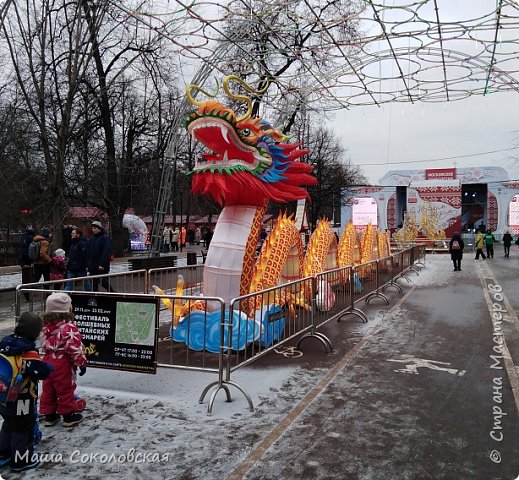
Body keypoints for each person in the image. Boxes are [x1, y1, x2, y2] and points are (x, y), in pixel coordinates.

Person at [0, 312, 53, 472]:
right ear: (35, 333)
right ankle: (20, 460)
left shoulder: (5, 345)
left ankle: (3, 453)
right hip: (23, 399)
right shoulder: (29, 353)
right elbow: (41, 371)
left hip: (3, 397)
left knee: (8, 424)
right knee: (22, 429)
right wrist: (50, 367)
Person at [39, 293, 87, 428]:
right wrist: (81, 362)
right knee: (65, 388)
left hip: (47, 360)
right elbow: (74, 347)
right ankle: (68, 416)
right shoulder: (69, 328)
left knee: (48, 389)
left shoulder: (46, 325)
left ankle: (49, 415)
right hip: (62, 362)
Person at [86, 221, 114, 292]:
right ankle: (96, 299)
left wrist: (102, 264)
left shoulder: (105, 238)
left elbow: (106, 252)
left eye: (95, 228)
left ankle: (112, 292)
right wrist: (88, 264)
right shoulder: (92, 239)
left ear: (99, 228)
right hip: (93, 264)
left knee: (104, 282)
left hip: (101, 265)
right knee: (94, 284)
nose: (93, 230)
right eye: (92, 228)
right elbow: (89, 252)